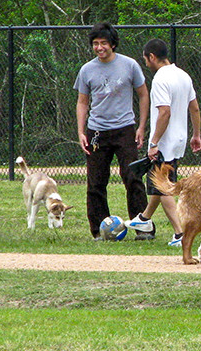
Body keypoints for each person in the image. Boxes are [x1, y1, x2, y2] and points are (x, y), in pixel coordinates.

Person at [74, 22, 150, 240]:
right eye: (96, 44)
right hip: (97, 132)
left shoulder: (130, 65)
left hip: (125, 129)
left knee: (133, 177)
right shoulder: (87, 70)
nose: (100, 47)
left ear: (113, 44)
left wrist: (141, 127)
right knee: (96, 182)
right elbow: (82, 102)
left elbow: (143, 94)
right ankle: (99, 230)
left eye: (104, 43)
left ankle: (143, 229)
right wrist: (81, 131)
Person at [124, 38, 201, 246]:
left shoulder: (160, 79)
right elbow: (194, 108)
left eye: (146, 59)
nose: (146, 64)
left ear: (152, 57)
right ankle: (143, 219)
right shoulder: (183, 75)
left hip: (165, 141)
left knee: (162, 186)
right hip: (179, 139)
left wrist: (154, 142)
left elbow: (164, 112)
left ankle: (180, 234)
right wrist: (196, 134)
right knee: (162, 181)